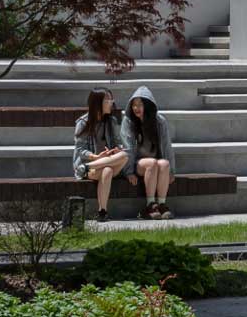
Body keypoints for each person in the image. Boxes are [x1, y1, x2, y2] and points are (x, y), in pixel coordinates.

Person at [121, 85, 177, 220]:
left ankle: (162, 205)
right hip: (138, 164)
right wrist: (129, 172)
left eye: (140, 104)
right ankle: (150, 205)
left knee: (164, 164)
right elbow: (127, 147)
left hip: (156, 162)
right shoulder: (128, 122)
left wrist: (172, 171)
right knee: (152, 163)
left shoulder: (159, 121)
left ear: (148, 105)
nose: (136, 108)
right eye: (134, 105)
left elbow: (167, 145)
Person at [72, 88, 128, 221]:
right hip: (91, 165)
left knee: (124, 155)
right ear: (98, 103)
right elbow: (80, 149)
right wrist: (96, 157)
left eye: (111, 99)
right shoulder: (83, 122)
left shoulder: (111, 121)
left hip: (102, 162)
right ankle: (102, 211)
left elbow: (118, 143)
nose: (111, 103)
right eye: (108, 100)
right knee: (107, 170)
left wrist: (115, 150)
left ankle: (85, 169)